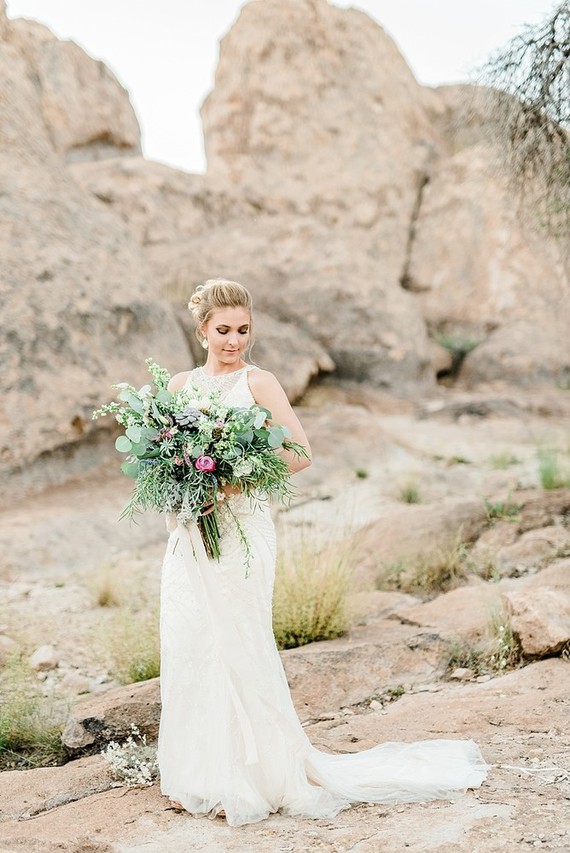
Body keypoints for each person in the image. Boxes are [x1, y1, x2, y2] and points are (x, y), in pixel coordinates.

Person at [158, 278, 487, 827]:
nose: (234, 341)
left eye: (243, 330)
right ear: (202, 332)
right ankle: (196, 776)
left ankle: (248, 778)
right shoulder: (176, 386)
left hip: (241, 529)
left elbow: (299, 453)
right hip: (190, 533)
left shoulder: (259, 383)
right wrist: (184, 486)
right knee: (190, 640)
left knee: (239, 642)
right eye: (224, 331)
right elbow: (164, 456)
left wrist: (230, 482)